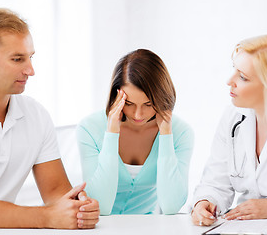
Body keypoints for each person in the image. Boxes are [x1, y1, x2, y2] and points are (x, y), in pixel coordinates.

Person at [0, 8, 99, 234]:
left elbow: (55, 193)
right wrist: (47, 216)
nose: (30, 70)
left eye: (30, 57)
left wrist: (77, 206)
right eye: (17, 59)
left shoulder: (36, 115)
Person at [191, 34, 267, 226]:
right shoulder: (233, 118)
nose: (229, 81)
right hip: (245, 227)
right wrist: (205, 202)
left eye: (242, 77)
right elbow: (216, 182)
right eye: (234, 69)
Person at [77, 49, 194, 215]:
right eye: (129, 103)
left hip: (148, 229)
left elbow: (171, 206)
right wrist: (111, 132)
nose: (138, 115)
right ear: (115, 96)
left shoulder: (181, 133)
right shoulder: (89, 128)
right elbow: (100, 206)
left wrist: (166, 133)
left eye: (148, 104)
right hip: (99, 228)